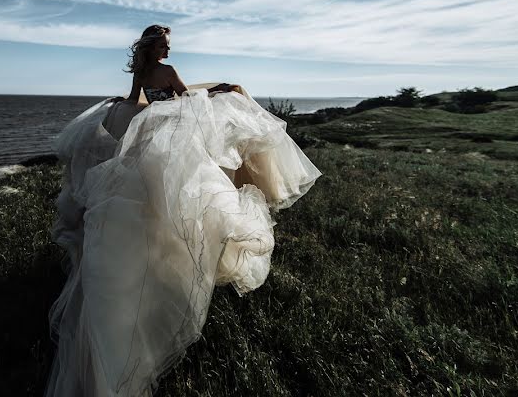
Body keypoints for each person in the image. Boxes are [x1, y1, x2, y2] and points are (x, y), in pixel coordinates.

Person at [45, 25, 322, 396]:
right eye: (164, 45)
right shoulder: (168, 73)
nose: (168, 50)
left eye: (168, 45)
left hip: (149, 134)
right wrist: (219, 90)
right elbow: (184, 99)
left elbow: (135, 102)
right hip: (170, 135)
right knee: (186, 190)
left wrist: (132, 103)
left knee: (148, 194)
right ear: (153, 46)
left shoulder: (143, 72)